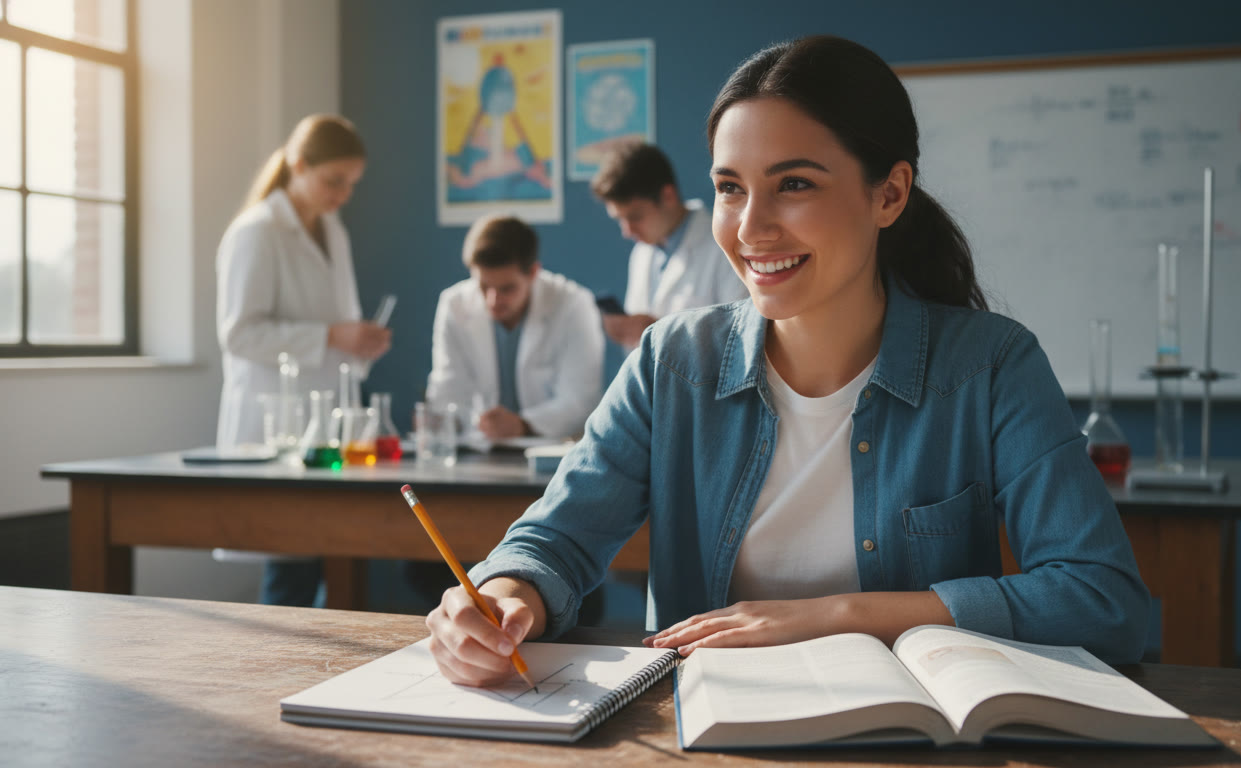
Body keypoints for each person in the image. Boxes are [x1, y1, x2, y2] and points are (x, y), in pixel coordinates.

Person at [425, 35, 1149, 687]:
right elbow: (555, 538)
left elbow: (1104, 599)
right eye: (730, 187)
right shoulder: (671, 363)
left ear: (889, 194)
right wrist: (504, 597)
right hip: (709, 729)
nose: (749, 228)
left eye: (795, 184)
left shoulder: (992, 366)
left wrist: (841, 615)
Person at [216, 114, 390, 607]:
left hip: (324, 422)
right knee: (289, 569)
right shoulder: (256, 231)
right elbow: (239, 334)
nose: (342, 194)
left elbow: (340, 318)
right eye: (333, 180)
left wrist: (357, 341)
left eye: (352, 184)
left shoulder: (332, 230)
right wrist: (334, 335)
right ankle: (274, 682)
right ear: (298, 164)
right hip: (274, 421)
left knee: (326, 560)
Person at [425, 214, 605, 441]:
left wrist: (523, 424)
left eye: (507, 289)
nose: (493, 300)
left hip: (554, 451)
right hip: (481, 447)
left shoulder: (574, 305)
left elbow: (581, 399)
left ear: (533, 273)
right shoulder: (454, 304)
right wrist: (461, 421)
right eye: (483, 286)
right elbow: (447, 392)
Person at [590, 142, 747, 348]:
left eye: (635, 216)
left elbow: (740, 337)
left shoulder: (725, 247)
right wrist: (627, 331)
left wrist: (658, 332)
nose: (627, 231)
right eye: (620, 219)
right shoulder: (642, 252)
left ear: (668, 196)